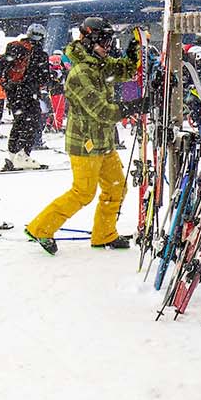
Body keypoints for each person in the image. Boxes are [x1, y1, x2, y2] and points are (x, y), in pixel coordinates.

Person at [24, 17, 135, 252]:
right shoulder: (80, 74)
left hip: (103, 141)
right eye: (104, 40)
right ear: (89, 39)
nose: (108, 46)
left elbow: (121, 71)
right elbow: (102, 111)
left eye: (110, 40)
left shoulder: (98, 64)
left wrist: (134, 55)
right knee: (83, 192)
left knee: (116, 188)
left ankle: (104, 234)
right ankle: (40, 228)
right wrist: (134, 106)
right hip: (85, 142)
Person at [0, 24, 53, 170]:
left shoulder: (14, 48)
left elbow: (3, 68)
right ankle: (24, 154)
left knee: (18, 122)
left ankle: (12, 155)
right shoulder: (40, 54)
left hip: (13, 92)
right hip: (29, 92)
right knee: (32, 122)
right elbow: (43, 78)